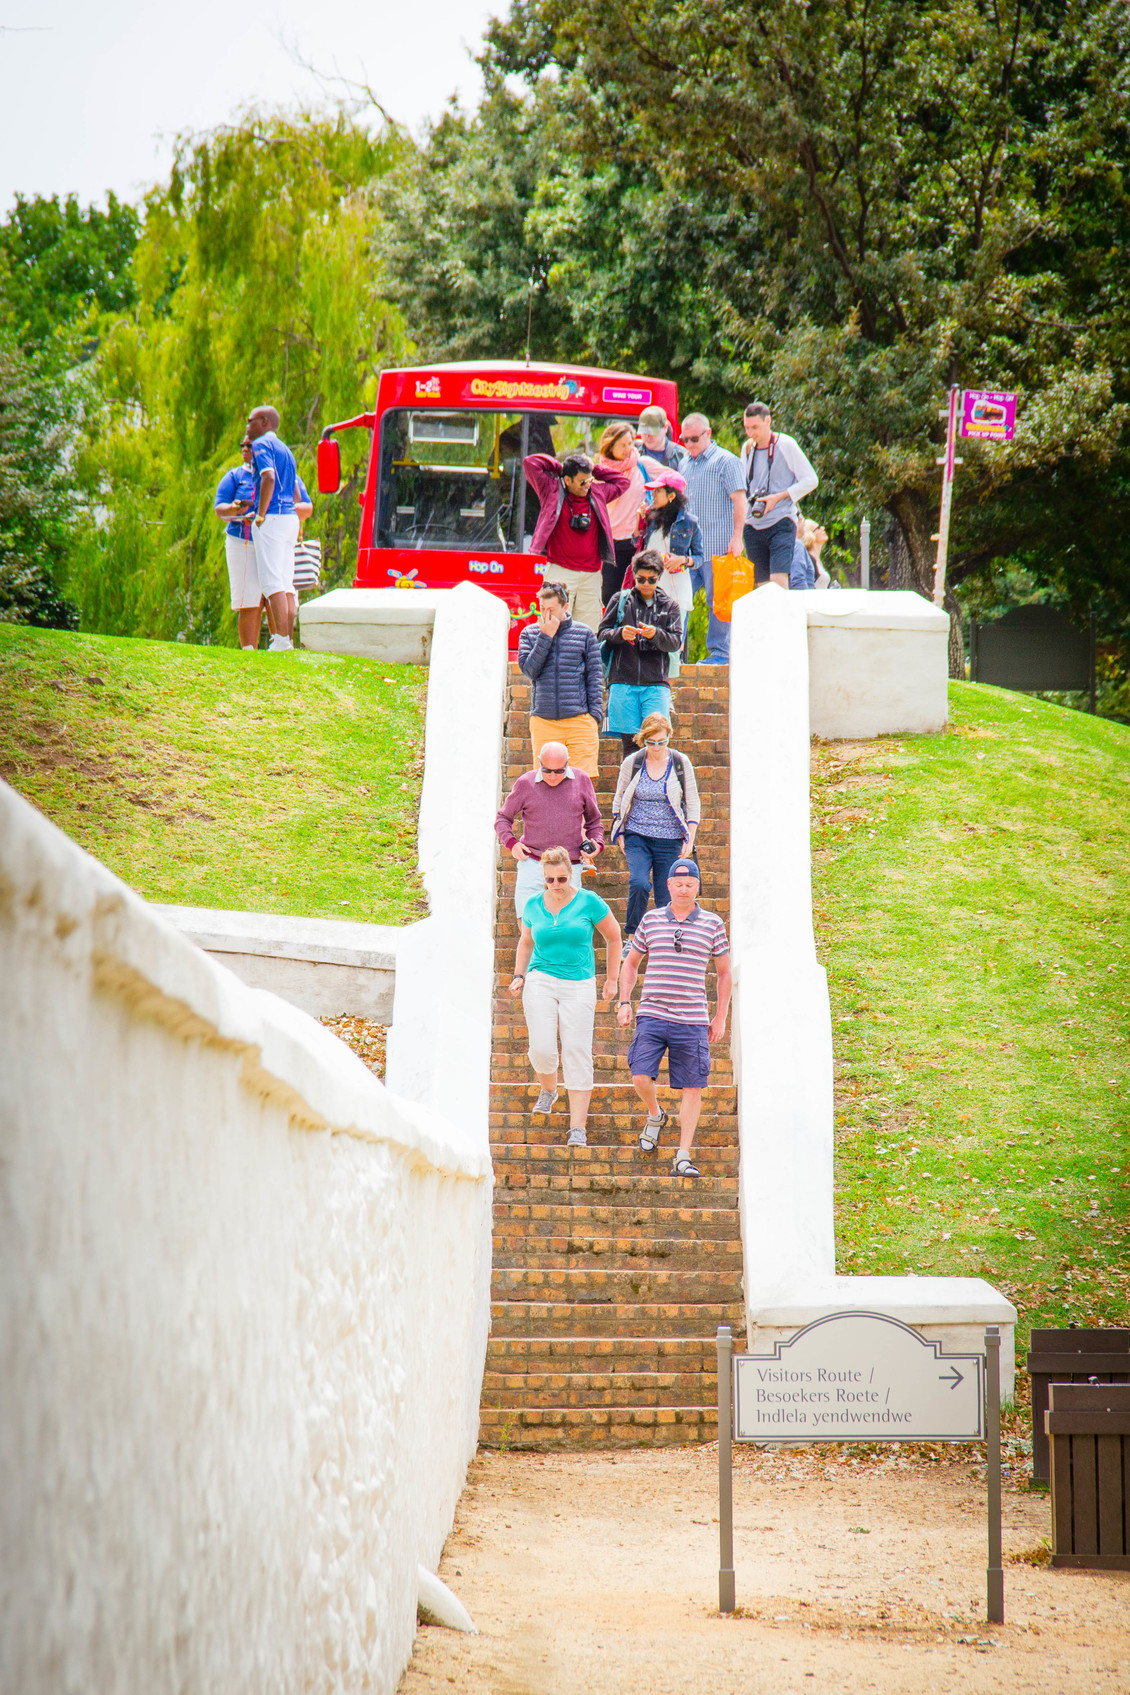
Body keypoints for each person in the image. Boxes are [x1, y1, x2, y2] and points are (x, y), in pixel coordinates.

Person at [617, 859, 732, 1178]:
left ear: (698, 887)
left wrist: (720, 1017)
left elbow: (724, 974)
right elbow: (630, 963)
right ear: (668, 886)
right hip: (652, 1014)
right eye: (678, 884)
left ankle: (683, 1155)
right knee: (640, 1076)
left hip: (693, 1019)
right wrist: (625, 1001)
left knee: (693, 1087)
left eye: (690, 884)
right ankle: (655, 1114)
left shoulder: (712, 923)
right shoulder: (651, 919)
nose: (684, 889)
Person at [509, 845, 622, 1148]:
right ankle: (549, 1089)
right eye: (550, 880)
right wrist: (519, 975)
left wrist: (612, 979)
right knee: (543, 1048)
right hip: (541, 978)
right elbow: (524, 942)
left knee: (576, 1050)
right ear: (543, 878)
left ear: (571, 875)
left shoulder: (589, 901)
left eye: (561, 879)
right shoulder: (533, 905)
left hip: (579, 983)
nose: (556, 886)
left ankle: (577, 1127)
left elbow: (613, 937)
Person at [610, 712, 701, 954]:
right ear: (643, 740)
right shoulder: (633, 763)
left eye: (662, 742)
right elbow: (619, 799)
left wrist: (689, 838)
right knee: (639, 882)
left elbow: (692, 803)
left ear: (669, 738)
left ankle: (665, 941)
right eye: (652, 742)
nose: (657, 747)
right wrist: (619, 832)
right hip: (637, 834)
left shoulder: (680, 763)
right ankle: (632, 937)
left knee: (665, 893)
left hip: (670, 838)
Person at [523, 449, 630, 631]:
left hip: (591, 576)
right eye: (582, 482)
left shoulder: (597, 492)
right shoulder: (551, 490)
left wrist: (594, 470)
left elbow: (623, 482)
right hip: (560, 572)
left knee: (588, 630)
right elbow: (530, 463)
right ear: (567, 480)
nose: (587, 485)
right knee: (553, 626)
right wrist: (561, 467)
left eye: (589, 480)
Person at [495, 740, 605, 915]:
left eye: (559, 771)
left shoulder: (581, 780)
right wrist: (511, 843)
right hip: (532, 861)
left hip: (569, 864)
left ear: (567, 763)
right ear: (539, 763)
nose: (553, 775)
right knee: (527, 920)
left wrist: (597, 844)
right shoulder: (526, 782)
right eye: (547, 770)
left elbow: (594, 822)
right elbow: (502, 817)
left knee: (568, 921)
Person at [598, 549, 683, 757]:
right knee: (630, 745)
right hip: (623, 680)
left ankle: (655, 787)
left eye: (651, 580)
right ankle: (632, 788)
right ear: (634, 576)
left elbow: (675, 642)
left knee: (657, 743)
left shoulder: (670, 606)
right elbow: (601, 633)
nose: (646, 584)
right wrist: (620, 634)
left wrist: (655, 635)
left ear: (659, 578)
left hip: (655, 682)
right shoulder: (620, 600)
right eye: (641, 579)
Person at [677, 413, 747, 664]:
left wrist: (737, 537)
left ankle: (720, 654)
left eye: (694, 439)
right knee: (679, 600)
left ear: (708, 433)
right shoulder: (684, 463)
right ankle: (673, 652)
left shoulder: (726, 461)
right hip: (689, 551)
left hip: (719, 546)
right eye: (685, 439)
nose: (689, 444)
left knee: (719, 602)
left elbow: (740, 501)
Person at [517, 581, 604, 778]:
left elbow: (595, 677)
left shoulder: (584, 634)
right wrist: (545, 637)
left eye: (552, 609)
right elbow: (530, 672)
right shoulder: (530, 634)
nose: (546, 614)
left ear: (565, 607)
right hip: (544, 720)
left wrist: (594, 716)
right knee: (544, 781)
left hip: (579, 720)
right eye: (543, 609)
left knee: (582, 781)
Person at [740, 402, 819, 590]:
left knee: (778, 583)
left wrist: (779, 496)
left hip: (781, 520)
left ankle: (781, 619)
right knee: (762, 586)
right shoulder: (748, 447)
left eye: (755, 428)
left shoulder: (785, 444)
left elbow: (811, 480)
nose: (751, 433)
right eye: (747, 428)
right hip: (753, 523)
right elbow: (743, 485)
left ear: (768, 421)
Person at [247, 404, 300, 652]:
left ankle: (280, 641)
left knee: (272, 583)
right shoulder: (286, 450)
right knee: (286, 582)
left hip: (274, 517)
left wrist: (260, 514)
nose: (247, 427)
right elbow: (297, 493)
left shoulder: (261, 445)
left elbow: (267, 477)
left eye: (251, 421)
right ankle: (287, 639)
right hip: (290, 517)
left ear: (265, 421)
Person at [640, 468, 705, 668]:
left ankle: (672, 687)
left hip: (677, 588)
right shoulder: (650, 519)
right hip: (650, 587)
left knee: (674, 643)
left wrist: (683, 560)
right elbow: (639, 547)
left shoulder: (690, 523)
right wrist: (638, 522)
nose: (653, 496)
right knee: (648, 639)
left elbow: (700, 557)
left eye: (658, 492)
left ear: (671, 495)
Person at [595, 421, 653, 608]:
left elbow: (675, 481)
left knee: (638, 597)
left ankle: (634, 635)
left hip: (636, 542)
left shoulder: (642, 464)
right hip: (611, 544)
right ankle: (614, 635)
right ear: (610, 446)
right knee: (609, 596)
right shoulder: (600, 472)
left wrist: (654, 507)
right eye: (623, 445)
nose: (628, 449)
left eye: (631, 444)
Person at [214, 436, 262, 650]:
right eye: (242, 445)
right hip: (241, 540)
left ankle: (279, 646)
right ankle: (249, 650)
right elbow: (219, 509)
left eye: (249, 446)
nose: (245, 449)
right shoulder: (234, 476)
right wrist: (235, 508)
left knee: (270, 596)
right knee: (248, 599)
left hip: (268, 541)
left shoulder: (271, 473)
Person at [636, 405, 686, 471]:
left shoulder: (681, 456)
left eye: (652, 432)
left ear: (665, 428)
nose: (647, 436)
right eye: (644, 431)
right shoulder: (632, 452)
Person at [798, 516, 832, 588]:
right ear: (810, 534)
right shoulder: (808, 559)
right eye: (818, 528)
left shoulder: (818, 559)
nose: (823, 528)